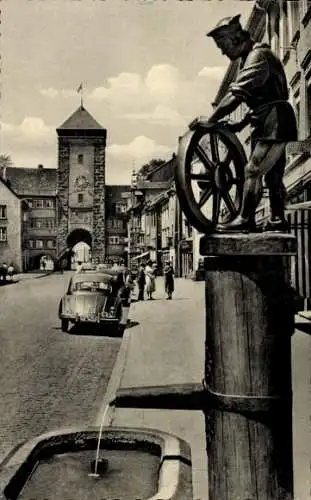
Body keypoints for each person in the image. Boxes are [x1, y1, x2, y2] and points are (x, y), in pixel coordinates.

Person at [190, 15, 297, 232]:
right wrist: (240, 125)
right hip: (266, 118)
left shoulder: (258, 56)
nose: (222, 51)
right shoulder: (248, 59)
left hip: (275, 120)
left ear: (236, 38)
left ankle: (246, 218)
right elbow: (261, 98)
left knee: (252, 170)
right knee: (273, 177)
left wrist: (211, 120)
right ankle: (277, 220)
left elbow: (236, 95)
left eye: (223, 45)